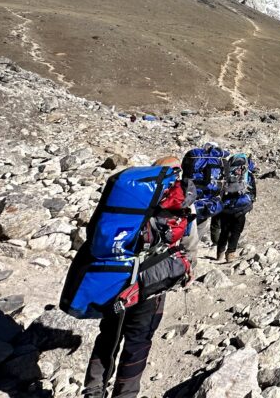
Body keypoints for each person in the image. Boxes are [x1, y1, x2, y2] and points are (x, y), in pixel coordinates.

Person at [82, 156, 197, 398]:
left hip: (116, 279)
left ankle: (93, 390)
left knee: (109, 335)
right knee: (139, 341)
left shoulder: (132, 193)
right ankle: (126, 394)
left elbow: (97, 229)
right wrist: (187, 270)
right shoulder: (182, 199)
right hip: (153, 284)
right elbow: (189, 242)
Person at [213, 152, 257, 262]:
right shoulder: (247, 174)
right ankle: (230, 254)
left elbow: (219, 190)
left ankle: (220, 253)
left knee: (224, 230)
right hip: (240, 207)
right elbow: (253, 192)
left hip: (226, 207)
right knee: (236, 231)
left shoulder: (226, 173)